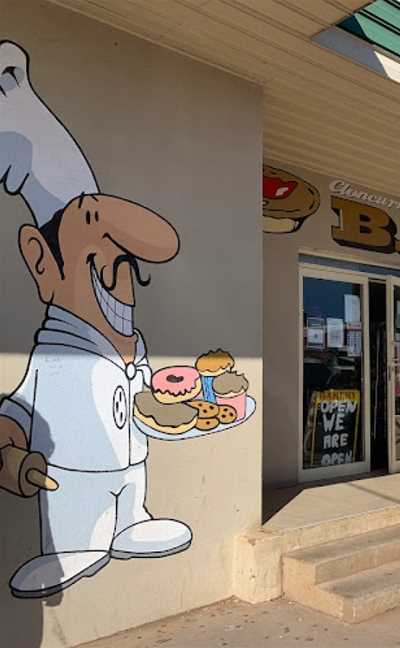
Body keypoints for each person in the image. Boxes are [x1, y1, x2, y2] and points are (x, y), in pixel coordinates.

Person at [0, 40, 191, 598]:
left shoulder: (133, 345)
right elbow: (17, 410)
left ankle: (131, 522)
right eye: (95, 264)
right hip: (71, 492)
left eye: (126, 268)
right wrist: (10, 453)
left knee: (131, 502)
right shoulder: (56, 356)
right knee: (76, 531)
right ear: (42, 262)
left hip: (131, 479)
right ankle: (74, 550)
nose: (117, 284)